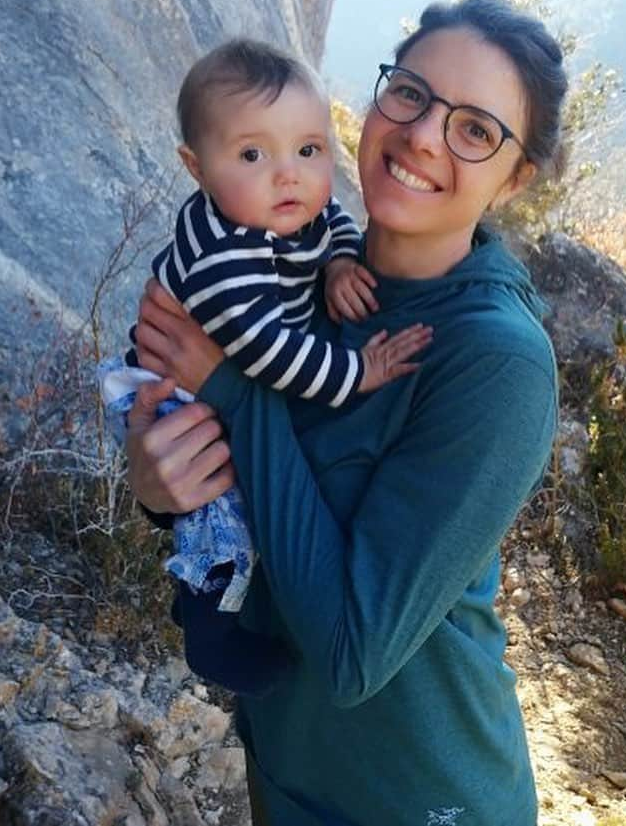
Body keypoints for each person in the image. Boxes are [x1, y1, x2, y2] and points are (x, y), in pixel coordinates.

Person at [126, 0, 567, 826]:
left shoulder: (497, 362)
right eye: (411, 93)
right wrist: (160, 480)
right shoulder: (302, 270)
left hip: (417, 795)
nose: (426, 134)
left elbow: (353, 652)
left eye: (476, 130)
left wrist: (231, 388)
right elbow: (245, 487)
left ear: (515, 179)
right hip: (288, 767)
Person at [100, 38, 430, 697]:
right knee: (221, 509)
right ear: (196, 167)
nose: (289, 174)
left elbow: (333, 219)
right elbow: (267, 352)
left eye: (308, 149)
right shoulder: (227, 251)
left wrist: (339, 260)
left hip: (210, 374)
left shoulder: (282, 209)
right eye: (253, 153)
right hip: (174, 393)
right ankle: (210, 632)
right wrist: (356, 372)